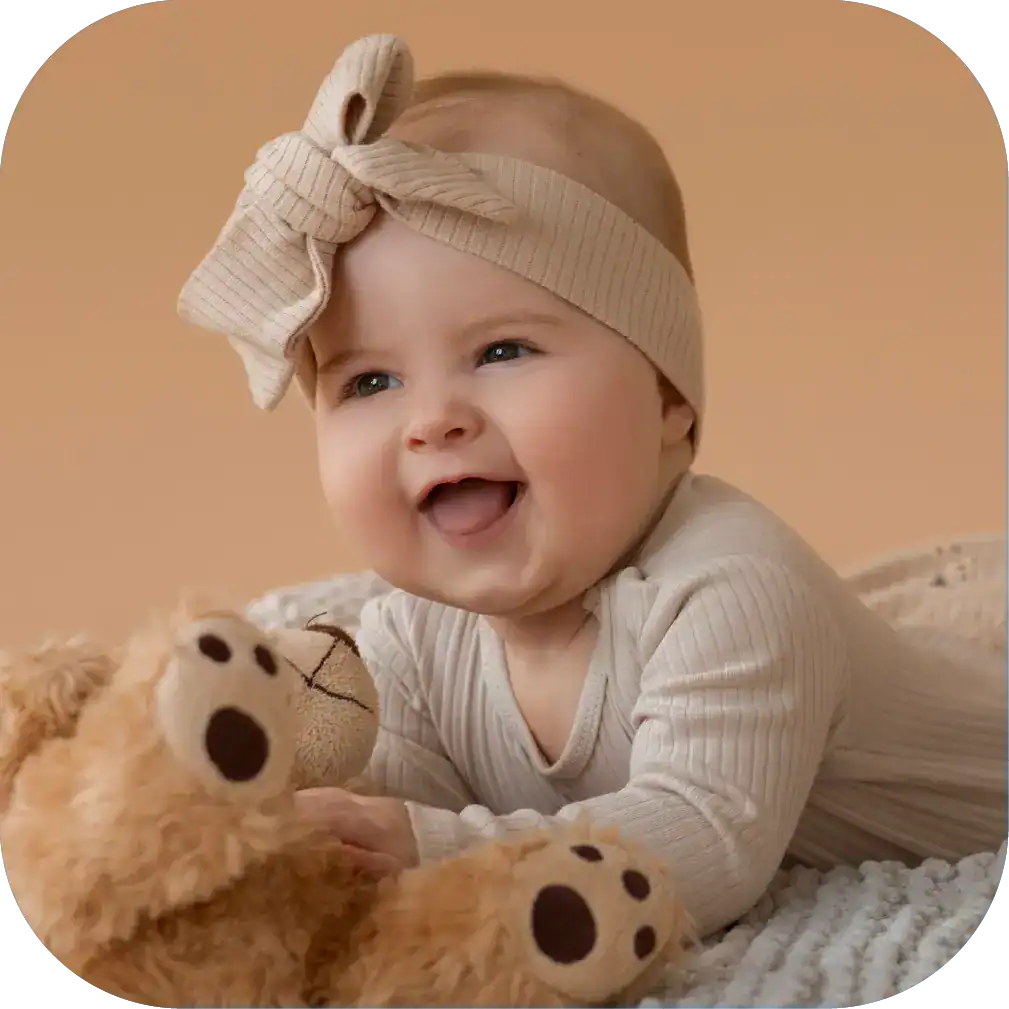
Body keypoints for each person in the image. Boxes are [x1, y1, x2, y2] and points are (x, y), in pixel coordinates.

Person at [177, 34, 1005, 937]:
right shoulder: (413, 636)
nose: (431, 420)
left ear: (666, 399)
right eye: (368, 382)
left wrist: (433, 848)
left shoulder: (730, 590)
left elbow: (700, 839)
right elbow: (393, 800)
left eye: (501, 350)